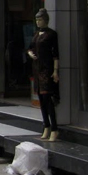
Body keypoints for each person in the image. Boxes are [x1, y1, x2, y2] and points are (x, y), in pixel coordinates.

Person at [28, 8, 60, 142]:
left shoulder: (51, 34)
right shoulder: (36, 34)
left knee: (48, 99)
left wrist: (55, 70)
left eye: (40, 19)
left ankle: (54, 128)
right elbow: (30, 47)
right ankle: (46, 125)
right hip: (37, 68)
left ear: (45, 20)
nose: (38, 22)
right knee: (41, 99)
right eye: (36, 19)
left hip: (47, 69)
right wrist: (30, 53)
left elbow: (56, 54)